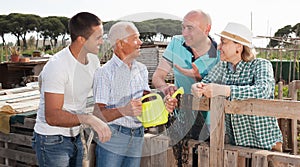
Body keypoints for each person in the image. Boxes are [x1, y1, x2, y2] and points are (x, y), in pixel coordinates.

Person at [32, 12, 112, 167]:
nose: (102, 42)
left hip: (76, 135)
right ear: (81, 40)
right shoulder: (58, 66)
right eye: (98, 38)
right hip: (52, 140)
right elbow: (52, 116)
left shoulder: (94, 61)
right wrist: (88, 119)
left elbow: (104, 90)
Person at [191, 22, 283, 152]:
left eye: (223, 42)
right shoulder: (222, 67)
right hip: (238, 145)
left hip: (266, 145)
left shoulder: (260, 64)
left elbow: (263, 90)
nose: (219, 47)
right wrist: (196, 87)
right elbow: (205, 83)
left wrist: (225, 90)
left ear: (238, 47)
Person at [152, 9, 220, 143]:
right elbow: (157, 76)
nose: (184, 33)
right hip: (181, 117)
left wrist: (199, 79)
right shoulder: (176, 43)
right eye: (183, 27)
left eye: (190, 28)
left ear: (207, 29)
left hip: (209, 122)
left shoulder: (219, 53)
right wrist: (165, 88)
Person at [93, 21, 150, 167]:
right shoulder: (104, 73)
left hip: (138, 134)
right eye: (135, 38)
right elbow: (98, 114)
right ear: (120, 44)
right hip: (113, 137)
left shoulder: (142, 70)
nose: (140, 42)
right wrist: (124, 111)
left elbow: (147, 100)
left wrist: (164, 102)